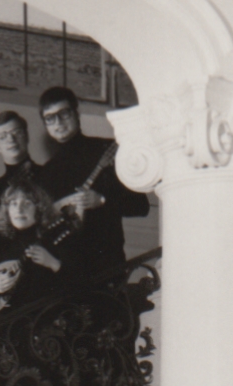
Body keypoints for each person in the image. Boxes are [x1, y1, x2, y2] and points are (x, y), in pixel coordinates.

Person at [36, 86, 151, 283]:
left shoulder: (107, 149)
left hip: (106, 266)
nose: (58, 123)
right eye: (50, 118)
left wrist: (102, 200)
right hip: (65, 274)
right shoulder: (44, 173)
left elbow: (141, 205)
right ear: (45, 124)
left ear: (76, 113)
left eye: (64, 113)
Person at [0, 179, 78, 327]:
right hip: (9, 330)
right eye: (13, 204)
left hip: (47, 327)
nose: (19, 209)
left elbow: (79, 284)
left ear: (39, 209)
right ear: (7, 211)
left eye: (27, 203)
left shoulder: (53, 240)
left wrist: (53, 263)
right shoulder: (1, 248)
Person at [0, 110, 41, 208]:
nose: (11, 139)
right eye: (3, 137)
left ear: (27, 136)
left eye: (17, 132)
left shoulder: (48, 173)